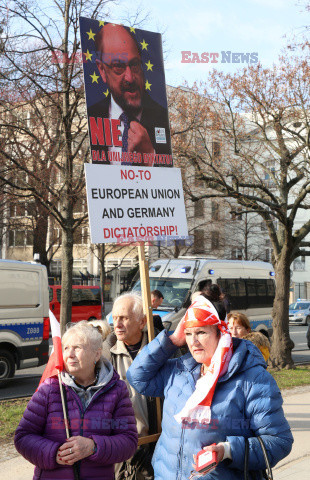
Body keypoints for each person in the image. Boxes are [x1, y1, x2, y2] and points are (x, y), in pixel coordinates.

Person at [126, 294, 293, 480]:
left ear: (220, 332)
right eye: (188, 333)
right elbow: (137, 377)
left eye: (201, 333)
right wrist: (171, 341)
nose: (193, 341)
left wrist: (228, 451)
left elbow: (279, 442)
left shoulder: (252, 378)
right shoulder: (179, 370)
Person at [14, 321, 138, 480]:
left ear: (97, 354)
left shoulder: (116, 390)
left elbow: (128, 441)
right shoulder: (49, 389)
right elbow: (23, 436)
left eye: (77, 348)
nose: (69, 354)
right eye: (66, 348)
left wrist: (93, 447)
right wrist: (53, 453)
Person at [88, 24, 172, 165]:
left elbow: (169, 180)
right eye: (118, 67)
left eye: (134, 65)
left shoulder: (162, 117)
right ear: (102, 70)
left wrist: (150, 157)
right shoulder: (92, 115)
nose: (130, 78)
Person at [102, 292, 157, 480]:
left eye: (124, 318)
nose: (117, 324)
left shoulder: (158, 352)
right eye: (115, 318)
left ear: (142, 323)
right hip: (120, 450)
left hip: (156, 444)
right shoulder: (103, 356)